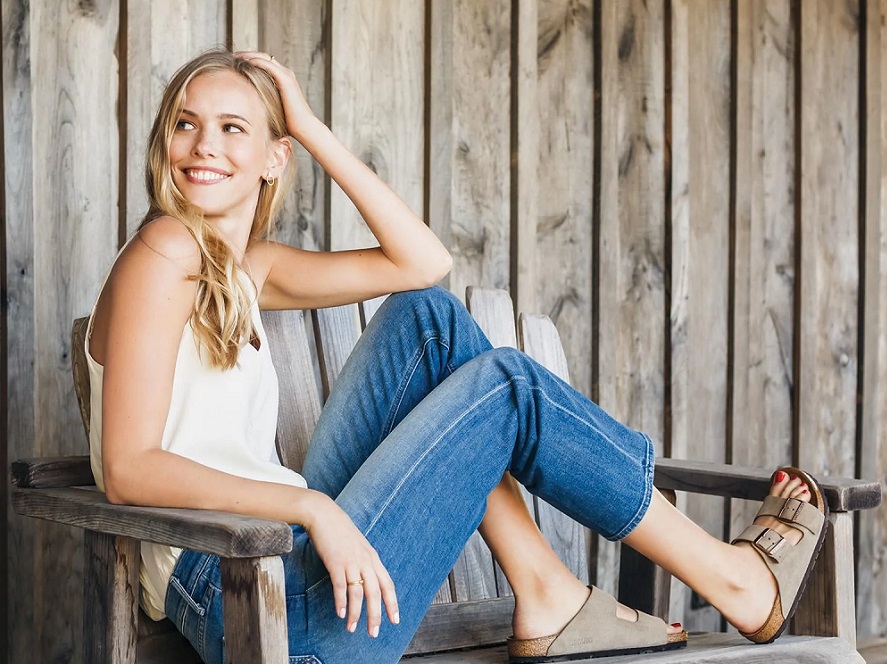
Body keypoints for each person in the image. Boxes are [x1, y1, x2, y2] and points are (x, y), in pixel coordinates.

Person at [85, 48, 828, 664]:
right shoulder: (164, 249)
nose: (203, 145)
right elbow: (129, 468)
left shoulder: (245, 268)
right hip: (255, 601)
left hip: (288, 565)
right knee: (506, 385)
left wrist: (309, 127)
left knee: (428, 323)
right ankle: (732, 582)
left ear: (275, 158)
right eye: (186, 123)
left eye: (231, 127)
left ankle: (543, 590)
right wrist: (313, 505)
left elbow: (421, 263)